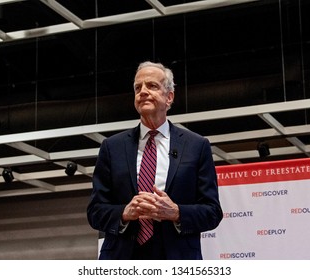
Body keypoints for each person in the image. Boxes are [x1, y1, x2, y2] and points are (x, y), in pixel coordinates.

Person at [87, 61, 223, 260]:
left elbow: (212, 212)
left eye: (151, 86)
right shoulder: (111, 147)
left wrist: (176, 212)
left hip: (177, 257)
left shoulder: (197, 146)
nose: (142, 91)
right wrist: (125, 212)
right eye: (137, 87)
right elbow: (95, 211)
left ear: (169, 97)